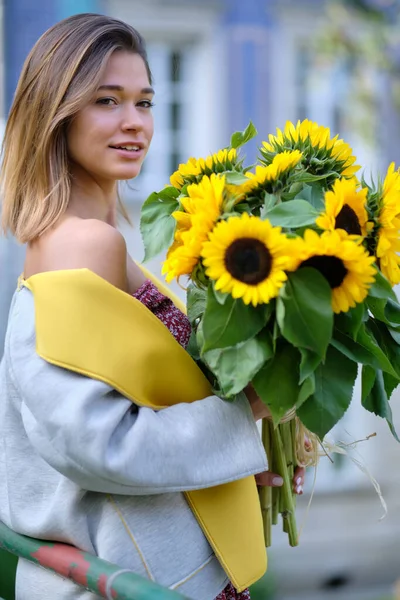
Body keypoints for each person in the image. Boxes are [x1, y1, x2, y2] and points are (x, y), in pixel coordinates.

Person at [0, 13, 305, 600]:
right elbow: (97, 443)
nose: (134, 123)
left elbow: (146, 393)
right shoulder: (83, 244)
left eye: (144, 102)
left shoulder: (91, 238)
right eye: (107, 101)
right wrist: (248, 409)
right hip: (140, 578)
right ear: (56, 113)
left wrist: (243, 463)